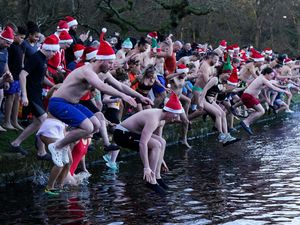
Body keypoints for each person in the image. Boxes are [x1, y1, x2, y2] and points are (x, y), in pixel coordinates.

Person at [47, 28, 150, 168]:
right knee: (88, 126)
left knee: (96, 124)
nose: (111, 66)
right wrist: (123, 96)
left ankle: (66, 142)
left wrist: (140, 96)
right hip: (59, 103)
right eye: (110, 62)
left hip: (73, 104)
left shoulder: (104, 72)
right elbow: (100, 87)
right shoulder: (87, 71)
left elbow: (120, 86)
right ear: (101, 60)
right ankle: (57, 146)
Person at [113, 92, 183, 196]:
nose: (177, 118)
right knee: (155, 145)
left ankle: (157, 177)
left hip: (133, 133)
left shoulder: (162, 120)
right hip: (121, 134)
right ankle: (151, 181)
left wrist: (160, 158)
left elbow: (160, 142)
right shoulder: (154, 120)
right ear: (168, 111)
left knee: (161, 142)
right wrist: (146, 167)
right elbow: (143, 143)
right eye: (175, 114)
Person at [10, 35, 58, 158]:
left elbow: (40, 78)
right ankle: (41, 151)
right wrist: (24, 95)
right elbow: (22, 74)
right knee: (44, 120)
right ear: (48, 49)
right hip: (31, 94)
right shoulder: (35, 57)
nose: (54, 54)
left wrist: (54, 85)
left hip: (37, 93)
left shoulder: (43, 59)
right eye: (53, 52)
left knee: (38, 122)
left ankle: (16, 143)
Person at [240, 67, 290, 135]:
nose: (272, 77)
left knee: (258, 110)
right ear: (266, 74)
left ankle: (246, 122)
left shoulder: (261, 77)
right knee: (261, 111)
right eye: (271, 75)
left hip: (248, 95)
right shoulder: (263, 79)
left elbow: (269, 85)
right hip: (248, 96)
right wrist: (285, 91)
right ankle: (246, 122)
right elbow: (273, 88)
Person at [3, 26, 27, 130]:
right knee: (10, 97)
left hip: (18, 75)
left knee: (17, 97)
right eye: (21, 37)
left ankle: (14, 120)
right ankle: (6, 121)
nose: (22, 40)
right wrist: (8, 75)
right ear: (15, 36)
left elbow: (21, 61)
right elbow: (6, 62)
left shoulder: (21, 47)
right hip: (12, 75)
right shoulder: (10, 46)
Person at [0, 26, 14, 132]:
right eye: (7, 43)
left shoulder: (5, 50)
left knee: (0, 98)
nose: (8, 46)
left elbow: (5, 64)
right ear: (1, 39)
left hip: (1, 80)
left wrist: (8, 75)